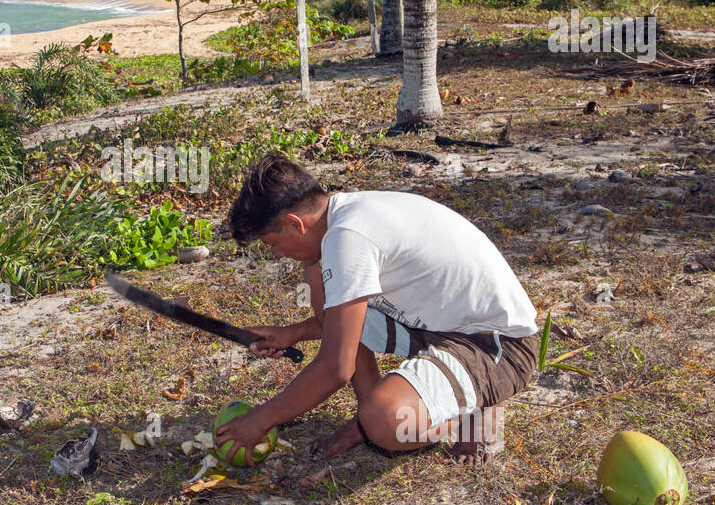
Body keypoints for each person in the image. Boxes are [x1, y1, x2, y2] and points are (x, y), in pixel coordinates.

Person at [214, 153, 540, 466]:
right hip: (442, 328)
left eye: (272, 243)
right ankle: (368, 417)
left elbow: (335, 368)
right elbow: (343, 324)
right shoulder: (345, 216)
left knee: (385, 422)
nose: (278, 255)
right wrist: (295, 333)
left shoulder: (348, 237)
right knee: (317, 278)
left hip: (499, 345)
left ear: (294, 223)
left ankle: (471, 414)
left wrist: (260, 419)